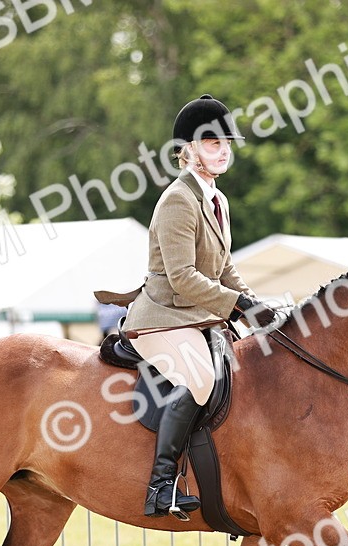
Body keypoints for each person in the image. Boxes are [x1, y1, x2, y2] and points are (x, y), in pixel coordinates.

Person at [95, 94, 276, 519]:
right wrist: (238, 304)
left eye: (227, 143)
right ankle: (161, 486)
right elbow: (183, 277)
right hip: (162, 317)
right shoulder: (178, 199)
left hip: (197, 317)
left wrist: (255, 303)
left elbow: (224, 268)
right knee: (201, 379)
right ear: (189, 149)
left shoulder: (217, 199)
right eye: (213, 143)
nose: (224, 150)